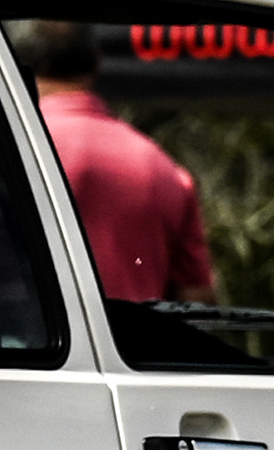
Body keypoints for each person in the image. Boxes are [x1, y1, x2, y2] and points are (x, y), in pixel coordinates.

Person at [14, 15, 214, 302]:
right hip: (129, 333)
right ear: (97, 63)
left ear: (20, 65)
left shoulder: (6, 152)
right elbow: (197, 299)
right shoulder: (162, 168)